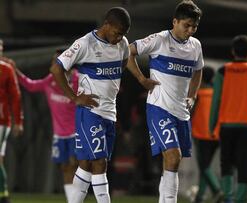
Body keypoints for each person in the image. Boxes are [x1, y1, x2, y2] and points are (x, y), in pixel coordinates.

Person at [50, 7, 157, 203]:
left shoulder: (122, 42)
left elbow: (126, 60)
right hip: (90, 111)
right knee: (100, 163)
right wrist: (75, 98)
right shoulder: (85, 44)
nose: (119, 38)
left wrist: (141, 79)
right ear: (107, 25)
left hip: (109, 113)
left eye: (122, 34)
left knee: (86, 164)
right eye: (117, 33)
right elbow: (56, 68)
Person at [127, 1, 204, 202]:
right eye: (186, 25)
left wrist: (193, 95)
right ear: (175, 21)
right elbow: (128, 52)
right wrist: (141, 79)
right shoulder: (160, 39)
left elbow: (198, 70)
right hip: (159, 108)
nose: (190, 30)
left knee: (171, 161)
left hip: (181, 111)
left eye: (194, 27)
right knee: (173, 155)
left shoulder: (195, 46)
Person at [14, 49, 79, 202]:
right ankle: (73, 200)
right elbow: (30, 85)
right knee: (64, 167)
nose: (54, 65)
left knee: (75, 165)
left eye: (58, 62)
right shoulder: (50, 80)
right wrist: (15, 70)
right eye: (53, 62)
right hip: (59, 134)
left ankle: (79, 198)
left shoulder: (78, 79)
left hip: (77, 132)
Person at [210, 35, 247, 203]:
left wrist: (211, 125)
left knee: (226, 163)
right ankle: (240, 199)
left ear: (233, 51)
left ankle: (228, 198)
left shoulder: (223, 71)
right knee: (245, 164)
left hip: (227, 124)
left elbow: (216, 100)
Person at [191, 66, 221, 203]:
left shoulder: (198, 94)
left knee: (204, 165)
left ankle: (217, 190)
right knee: (206, 165)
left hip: (201, 135)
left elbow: (190, 112)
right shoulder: (216, 93)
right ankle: (200, 196)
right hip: (216, 135)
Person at [0, 39, 23, 203]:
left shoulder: (6, 69)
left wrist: (18, 121)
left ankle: (4, 194)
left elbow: (15, 97)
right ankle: (4, 194)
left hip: (2, 121)